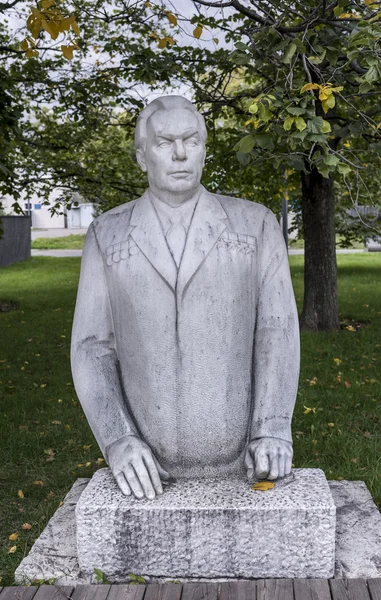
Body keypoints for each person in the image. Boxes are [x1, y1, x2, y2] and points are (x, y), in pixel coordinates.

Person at [71, 95, 300, 500]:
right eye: (164, 143)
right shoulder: (107, 234)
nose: (180, 154)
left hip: (239, 460)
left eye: (191, 141)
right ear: (142, 157)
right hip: (147, 466)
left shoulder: (256, 224)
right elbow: (92, 348)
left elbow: (276, 331)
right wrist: (118, 440)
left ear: (204, 150)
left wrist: (273, 427)